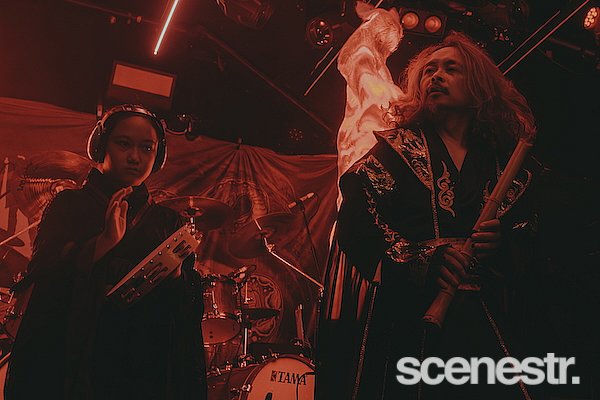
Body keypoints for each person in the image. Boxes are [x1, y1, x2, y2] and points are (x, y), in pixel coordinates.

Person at [316, 12, 539, 400]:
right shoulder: (396, 151)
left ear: (478, 86)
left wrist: (501, 243)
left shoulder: (505, 165)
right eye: (429, 70)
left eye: (451, 69)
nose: (436, 76)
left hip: (483, 319)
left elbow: (531, 236)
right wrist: (421, 258)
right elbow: (358, 219)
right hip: (408, 318)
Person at [5, 104, 207, 399]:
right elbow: (45, 274)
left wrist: (175, 275)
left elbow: (186, 313)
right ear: (101, 145)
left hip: (143, 362)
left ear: (158, 155)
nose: (135, 157)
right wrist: (102, 244)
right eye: (123, 144)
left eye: (147, 148)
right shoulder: (69, 205)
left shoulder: (167, 221)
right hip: (75, 357)